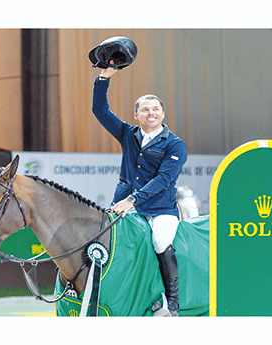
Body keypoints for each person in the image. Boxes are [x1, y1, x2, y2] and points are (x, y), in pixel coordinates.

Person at [91, 62, 187, 316]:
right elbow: (99, 110)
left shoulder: (175, 145)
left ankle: (172, 303)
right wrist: (103, 78)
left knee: (160, 241)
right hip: (124, 204)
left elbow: (163, 180)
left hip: (160, 209)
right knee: (102, 241)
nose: (151, 113)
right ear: (137, 115)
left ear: (163, 114)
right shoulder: (127, 133)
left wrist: (132, 200)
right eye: (145, 109)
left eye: (156, 109)